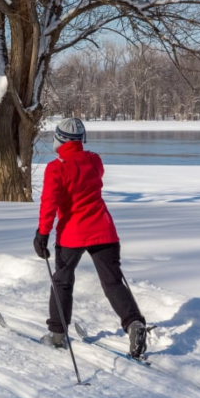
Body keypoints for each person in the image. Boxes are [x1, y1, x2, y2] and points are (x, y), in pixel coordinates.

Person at [33, 117, 148, 359]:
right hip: (104, 231)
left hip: (72, 235)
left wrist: (42, 233)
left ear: (58, 138)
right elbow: (95, 175)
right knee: (113, 282)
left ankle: (56, 336)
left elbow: (49, 205)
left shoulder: (56, 168)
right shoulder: (94, 160)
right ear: (81, 139)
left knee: (62, 282)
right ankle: (134, 323)